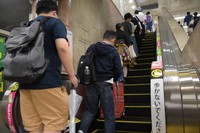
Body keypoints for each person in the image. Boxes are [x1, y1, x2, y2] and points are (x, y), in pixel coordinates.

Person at [19, 1, 79, 133]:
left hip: (25, 84)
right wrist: (72, 75)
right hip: (47, 82)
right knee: (54, 123)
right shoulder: (55, 22)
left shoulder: (27, 26)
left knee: (34, 127)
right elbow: (63, 48)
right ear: (54, 12)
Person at [78, 30, 122, 133]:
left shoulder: (92, 47)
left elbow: (85, 62)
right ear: (113, 39)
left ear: (103, 37)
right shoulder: (114, 51)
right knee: (109, 115)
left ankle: (81, 131)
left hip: (91, 83)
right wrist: (113, 79)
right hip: (106, 84)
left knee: (89, 111)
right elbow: (118, 70)